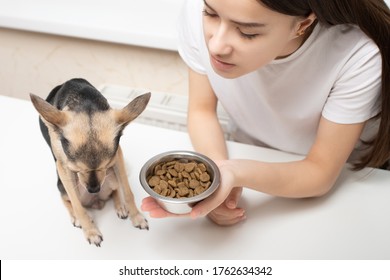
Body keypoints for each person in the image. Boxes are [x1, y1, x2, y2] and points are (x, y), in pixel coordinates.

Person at [141, 0, 390, 226]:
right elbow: (202, 111)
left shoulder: (359, 53)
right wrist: (217, 180)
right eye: (211, 14)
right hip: (249, 151)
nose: (216, 45)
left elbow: (320, 172)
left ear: (302, 24)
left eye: (247, 33)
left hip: (349, 185)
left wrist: (235, 173)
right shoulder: (203, 8)